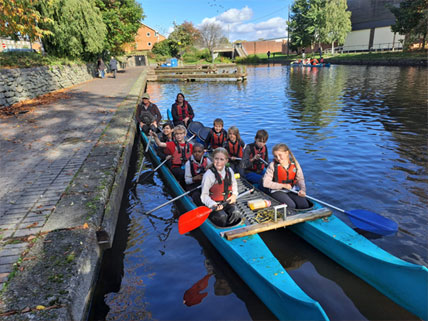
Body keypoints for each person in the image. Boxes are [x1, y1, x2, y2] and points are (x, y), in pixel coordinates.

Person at [201, 148, 240, 227]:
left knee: (236, 213)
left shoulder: (229, 171)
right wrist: (213, 204)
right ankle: (223, 230)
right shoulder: (208, 175)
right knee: (222, 217)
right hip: (214, 204)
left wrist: (234, 195)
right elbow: (204, 196)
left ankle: (231, 229)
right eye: (216, 159)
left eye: (222, 159)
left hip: (227, 201)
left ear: (226, 161)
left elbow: (234, 185)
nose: (218, 162)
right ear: (212, 159)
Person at [262, 143, 309, 209]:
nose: (278, 158)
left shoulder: (295, 163)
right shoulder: (272, 165)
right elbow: (265, 183)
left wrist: (303, 189)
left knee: (304, 205)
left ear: (286, 153)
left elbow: (300, 179)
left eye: (280, 155)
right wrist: (283, 186)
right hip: (277, 190)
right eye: (275, 156)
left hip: (291, 190)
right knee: (291, 205)